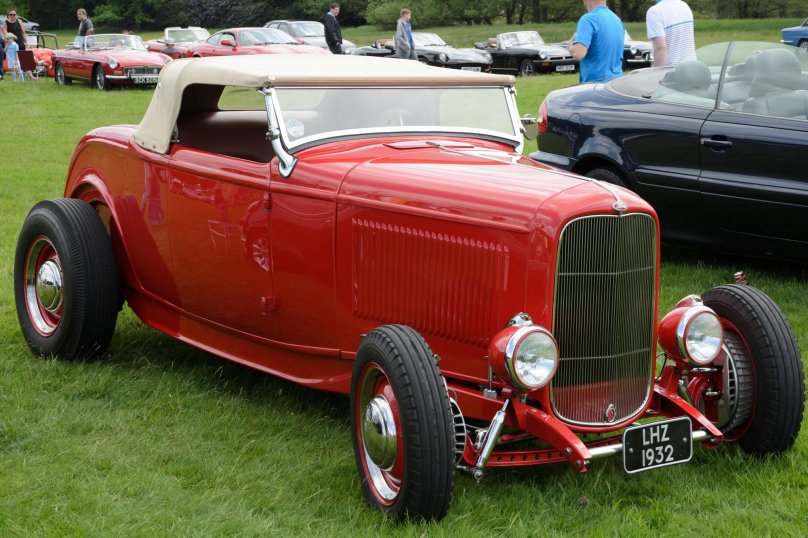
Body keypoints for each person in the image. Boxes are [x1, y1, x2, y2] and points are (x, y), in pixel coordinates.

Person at [568, 0, 624, 83]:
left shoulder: (588, 19)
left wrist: (570, 44)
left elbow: (578, 54)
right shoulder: (616, 20)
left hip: (595, 87)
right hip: (616, 84)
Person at [646, 0, 696, 67]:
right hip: (693, 67)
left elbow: (660, 48)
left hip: (673, 72)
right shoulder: (684, 5)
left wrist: (656, 74)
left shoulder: (654, 12)